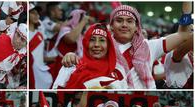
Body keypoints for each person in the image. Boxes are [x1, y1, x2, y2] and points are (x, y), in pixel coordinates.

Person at [61, 2, 193, 89]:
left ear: (137, 27)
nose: (124, 25)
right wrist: (71, 55)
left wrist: (187, 10)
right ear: (111, 25)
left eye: (130, 21)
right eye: (119, 20)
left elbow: (184, 35)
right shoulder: (100, 45)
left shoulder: (150, 46)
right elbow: (83, 63)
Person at [53, 23, 127, 89]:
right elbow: (57, 92)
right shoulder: (71, 65)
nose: (96, 45)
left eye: (102, 40)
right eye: (92, 40)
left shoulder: (119, 70)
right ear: (86, 44)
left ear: (108, 45)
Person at [0, 23, 27, 88]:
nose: (18, 40)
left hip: (0, 77)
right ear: (15, 32)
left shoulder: (24, 52)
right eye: (18, 35)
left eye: (22, 40)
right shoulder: (2, 41)